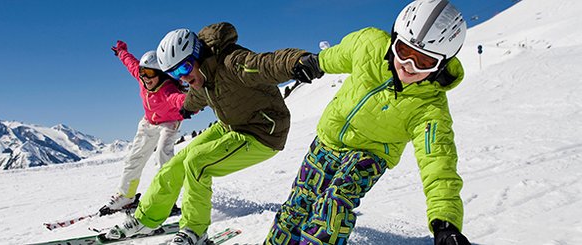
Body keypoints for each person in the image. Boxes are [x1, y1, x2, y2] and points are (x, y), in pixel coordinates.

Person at [266, 0, 472, 244]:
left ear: (442, 64)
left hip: (371, 154)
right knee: (298, 205)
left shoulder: (430, 108)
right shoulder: (369, 44)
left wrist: (444, 223)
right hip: (328, 139)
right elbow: (338, 55)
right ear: (394, 40)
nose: (409, 66)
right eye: (404, 52)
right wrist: (316, 63)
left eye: (424, 62)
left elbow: (439, 163)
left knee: (333, 205)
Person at [105, 22, 324, 245]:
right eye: (173, 73)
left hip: (262, 131)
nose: (182, 77)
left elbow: (266, 63)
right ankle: (146, 219)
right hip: (231, 125)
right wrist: (186, 107)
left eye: (183, 68)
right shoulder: (201, 75)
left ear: (197, 54)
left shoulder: (233, 63)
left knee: (198, 163)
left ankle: (195, 231)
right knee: (175, 163)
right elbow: (200, 94)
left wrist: (299, 61)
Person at [99, 41, 187, 215]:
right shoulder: (142, 79)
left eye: (149, 73)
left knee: (163, 157)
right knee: (134, 159)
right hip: (148, 122)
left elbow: (179, 99)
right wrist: (122, 51)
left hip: (169, 124)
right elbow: (131, 62)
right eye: (142, 72)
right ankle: (126, 197)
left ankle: (167, 201)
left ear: (161, 74)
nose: (144, 77)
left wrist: (189, 105)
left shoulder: (167, 88)